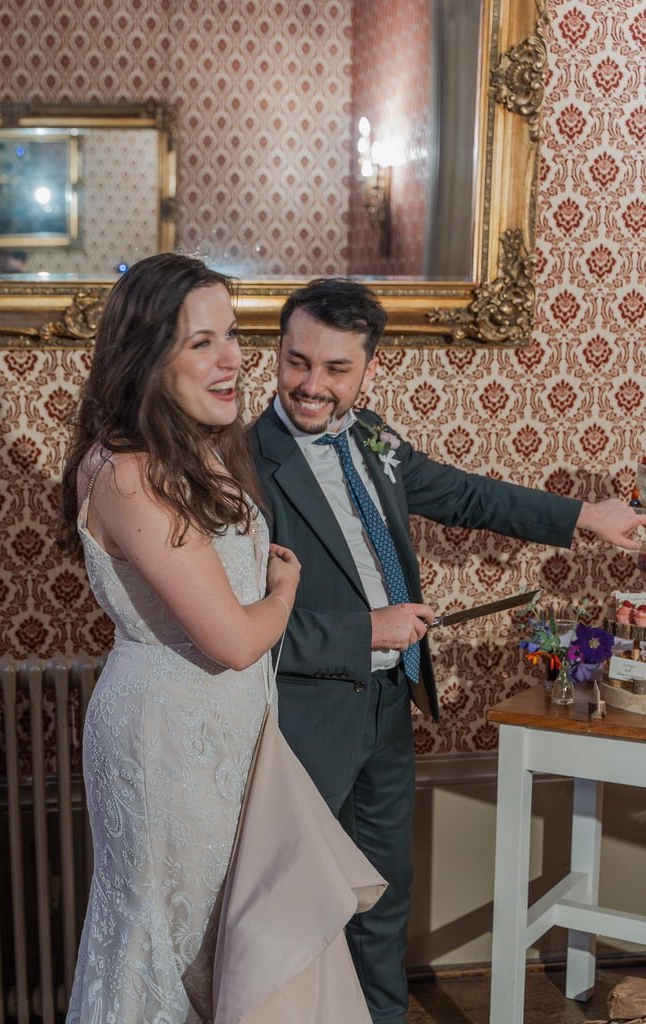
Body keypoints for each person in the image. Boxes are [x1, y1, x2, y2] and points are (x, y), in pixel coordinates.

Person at [250, 277, 643, 1024]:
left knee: (384, 895)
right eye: (297, 362)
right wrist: (370, 629)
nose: (310, 385)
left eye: (336, 370)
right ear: (278, 352)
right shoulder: (240, 465)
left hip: (390, 706)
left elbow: (466, 495)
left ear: (370, 371)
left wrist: (586, 515)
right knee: (297, 905)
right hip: (302, 721)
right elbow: (238, 625)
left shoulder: (374, 438)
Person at [59, 254, 385, 1024]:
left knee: (221, 942)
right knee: (163, 942)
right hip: (166, 735)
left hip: (235, 733)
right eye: (202, 342)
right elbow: (235, 639)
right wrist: (285, 590)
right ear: (147, 356)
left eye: (233, 335)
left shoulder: (201, 449)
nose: (233, 357)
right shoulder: (126, 472)